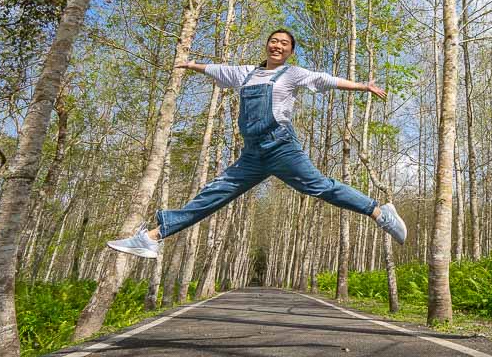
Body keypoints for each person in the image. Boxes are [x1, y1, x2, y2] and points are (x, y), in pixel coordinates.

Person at [107, 28, 407, 260]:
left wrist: (362, 86)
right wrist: (188, 64)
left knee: (319, 187)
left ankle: (379, 213)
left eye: (284, 44)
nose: (277, 45)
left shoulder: (292, 74)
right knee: (214, 194)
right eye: (273, 41)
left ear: (290, 52)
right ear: (267, 45)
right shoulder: (244, 73)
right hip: (252, 154)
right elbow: (215, 69)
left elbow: (326, 79)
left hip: (281, 146)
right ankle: (151, 238)